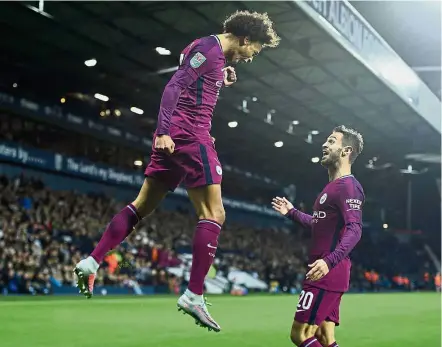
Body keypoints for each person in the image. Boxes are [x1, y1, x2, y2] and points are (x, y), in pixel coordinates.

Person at [73, 10, 280, 333]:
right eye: (255, 48)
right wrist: (162, 131)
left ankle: (92, 261)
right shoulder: (208, 51)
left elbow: (196, 78)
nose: (253, 55)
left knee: (142, 206)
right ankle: (194, 294)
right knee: (215, 213)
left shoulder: (208, 52)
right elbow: (173, 87)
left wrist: (220, 76)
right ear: (244, 38)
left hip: (181, 134)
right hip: (188, 133)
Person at [272, 126, 365, 347]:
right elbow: (319, 225)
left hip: (326, 271)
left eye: (332, 141)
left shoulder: (349, 187)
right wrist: (292, 213)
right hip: (327, 269)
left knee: (301, 335)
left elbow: (355, 229)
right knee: (324, 338)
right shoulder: (332, 188)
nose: (325, 144)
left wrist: (328, 261)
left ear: (346, 151)